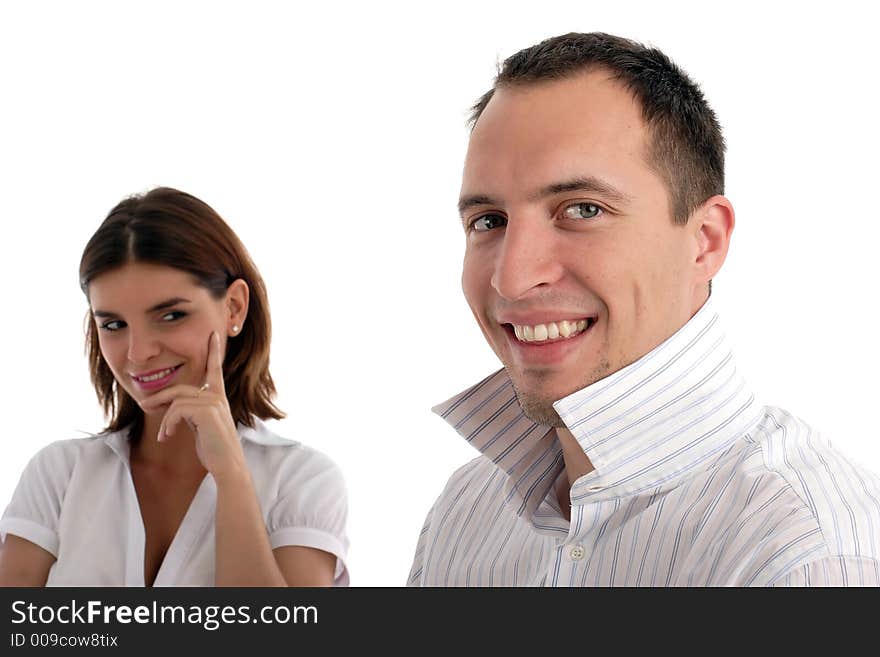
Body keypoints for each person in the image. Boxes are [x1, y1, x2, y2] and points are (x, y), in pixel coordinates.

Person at [408, 32, 880, 586]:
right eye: (488, 220)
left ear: (704, 240)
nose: (512, 277)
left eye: (582, 209)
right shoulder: (467, 513)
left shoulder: (805, 552)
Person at [0, 187, 349, 586]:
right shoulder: (59, 474)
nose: (138, 352)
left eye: (170, 315)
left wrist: (231, 476)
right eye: (114, 324)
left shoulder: (303, 481)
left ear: (233, 307)